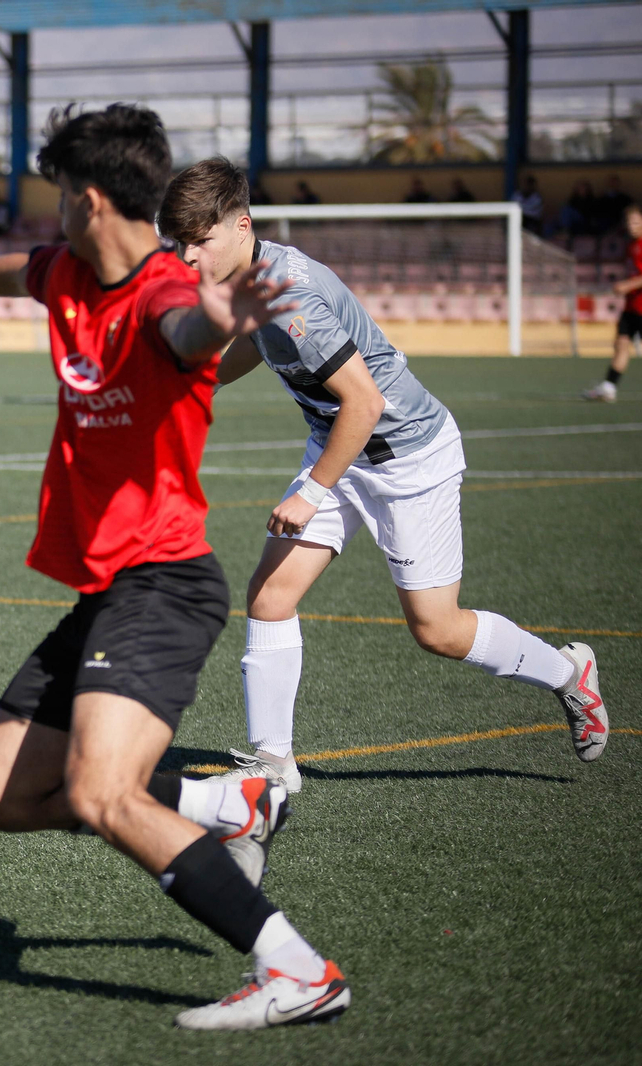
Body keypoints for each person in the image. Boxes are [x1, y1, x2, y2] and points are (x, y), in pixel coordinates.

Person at [0, 105, 348, 1031]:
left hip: (166, 585)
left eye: (61, 197)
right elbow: (13, 270)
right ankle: (224, 804)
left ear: (92, 200)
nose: (54, 213)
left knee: (100, 793)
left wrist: (222, 318)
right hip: (105, 591)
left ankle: (296, 968)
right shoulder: (66, 269)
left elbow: (187, 330)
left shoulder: (158, 296)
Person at [159, 157, 610, 795]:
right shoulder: (250, 277)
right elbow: (254, 344)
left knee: (437, 629)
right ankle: (273, 764)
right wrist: (197, 382)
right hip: (342, 447)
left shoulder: (292, 296)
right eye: (179, 243)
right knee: (271, 596)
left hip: (407, 458)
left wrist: (313, 491)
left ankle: (567, 674)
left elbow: (364, 403)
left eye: (198, 241)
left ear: (241, 226)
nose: (186, 257)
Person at [583, 203, 642, 402]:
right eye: (628, 221)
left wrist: (626, 286)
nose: (631, 225)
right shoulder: (631, 246)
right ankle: (609, 387)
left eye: (635, 221)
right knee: (621, 344)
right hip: (632, 307)